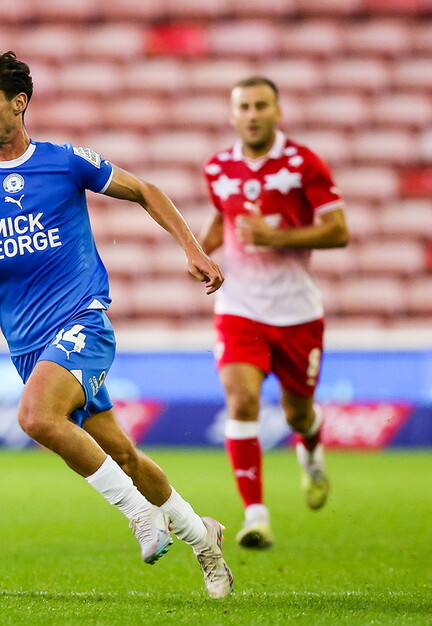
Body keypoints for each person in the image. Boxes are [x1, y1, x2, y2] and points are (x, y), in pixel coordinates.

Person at [0, 50, 233, 599]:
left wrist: (193, 250)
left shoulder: (65, 161)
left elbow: (144, 190)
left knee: (37, 417)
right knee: (125, 455)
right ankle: (202, 538)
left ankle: (140, 515)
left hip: (82, 319)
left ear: (19, 103)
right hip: (27, 343)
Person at [199, 76, 349, 549]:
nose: (252, 114)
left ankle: (311, 444)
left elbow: (338, 231)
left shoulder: (305, 164)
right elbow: (223, 217)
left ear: (277, 112)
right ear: (232, 114)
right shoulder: (218, 167)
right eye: (243, 106)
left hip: (297, 314)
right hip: (240, 309)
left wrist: (277, 237)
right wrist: (200, 250)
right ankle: (255, 515)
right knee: (241, 401)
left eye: (261, 105)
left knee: (296, 413)